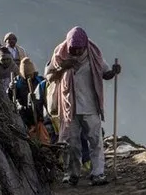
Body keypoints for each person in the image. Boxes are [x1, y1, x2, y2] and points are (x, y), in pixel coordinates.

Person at [45, 26, 121, 186]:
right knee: (70, 143)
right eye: (74, 49)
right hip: (69, 107)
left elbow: (105, 73)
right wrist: (63, 66)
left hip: (90, 106)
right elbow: (49, 75)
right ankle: (71, 174)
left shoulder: (93, 54)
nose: (77, 53)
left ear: (85, 45)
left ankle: (97, 173)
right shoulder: (60, 54)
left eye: (80, 49)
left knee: (95, 141)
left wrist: (113, 72)